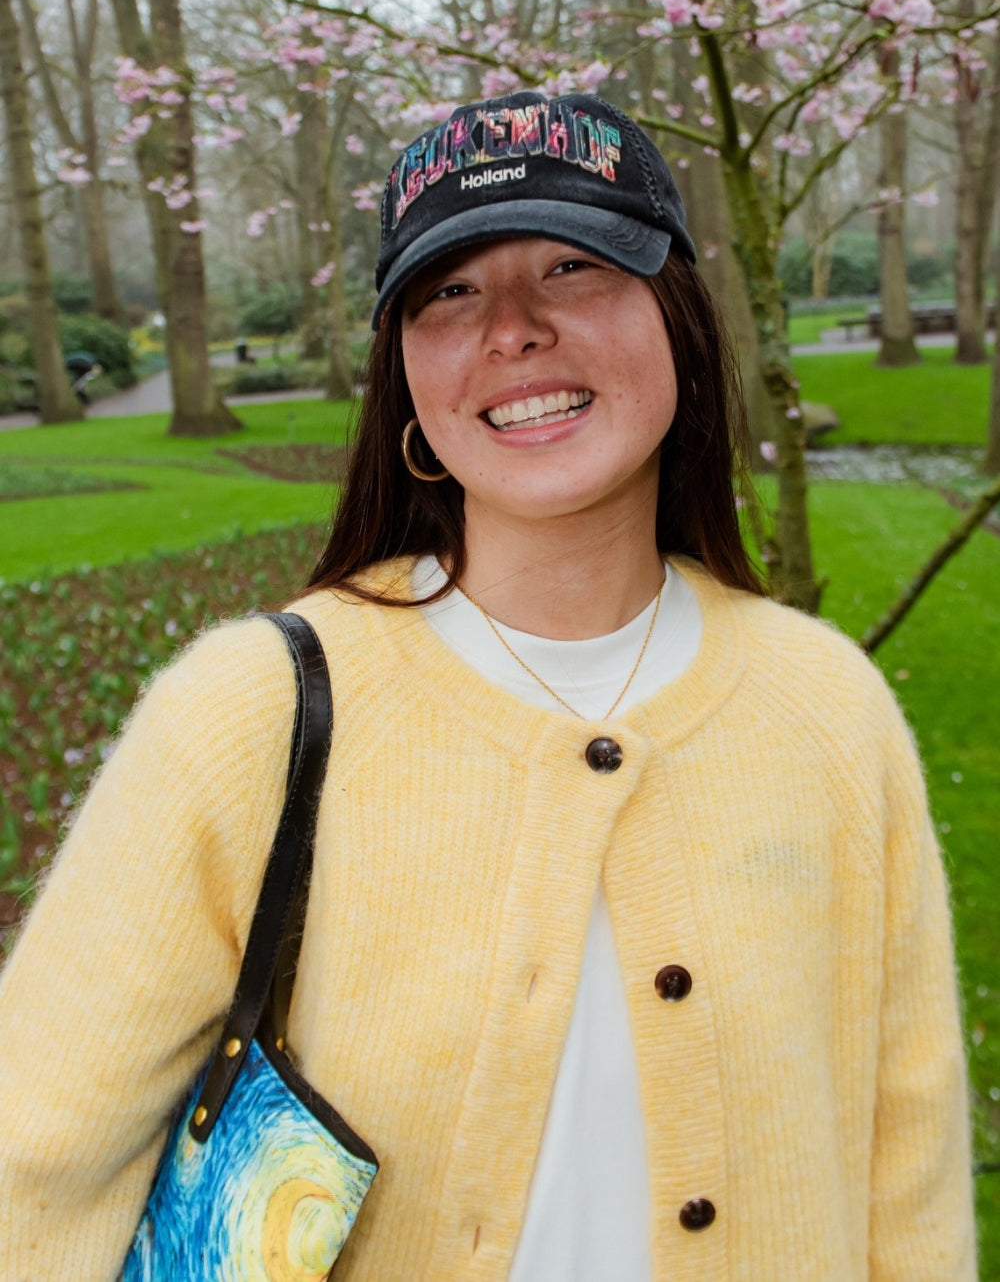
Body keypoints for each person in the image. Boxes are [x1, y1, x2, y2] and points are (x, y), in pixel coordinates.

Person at [0, 90, 976, 1280]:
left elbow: (908, 1171)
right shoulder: (249, 712)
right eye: (448, 292)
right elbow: (33, 1162)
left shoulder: (826, 707)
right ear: (405, 377)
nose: (512, 330)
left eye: (574, 265)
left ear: (677, 317)